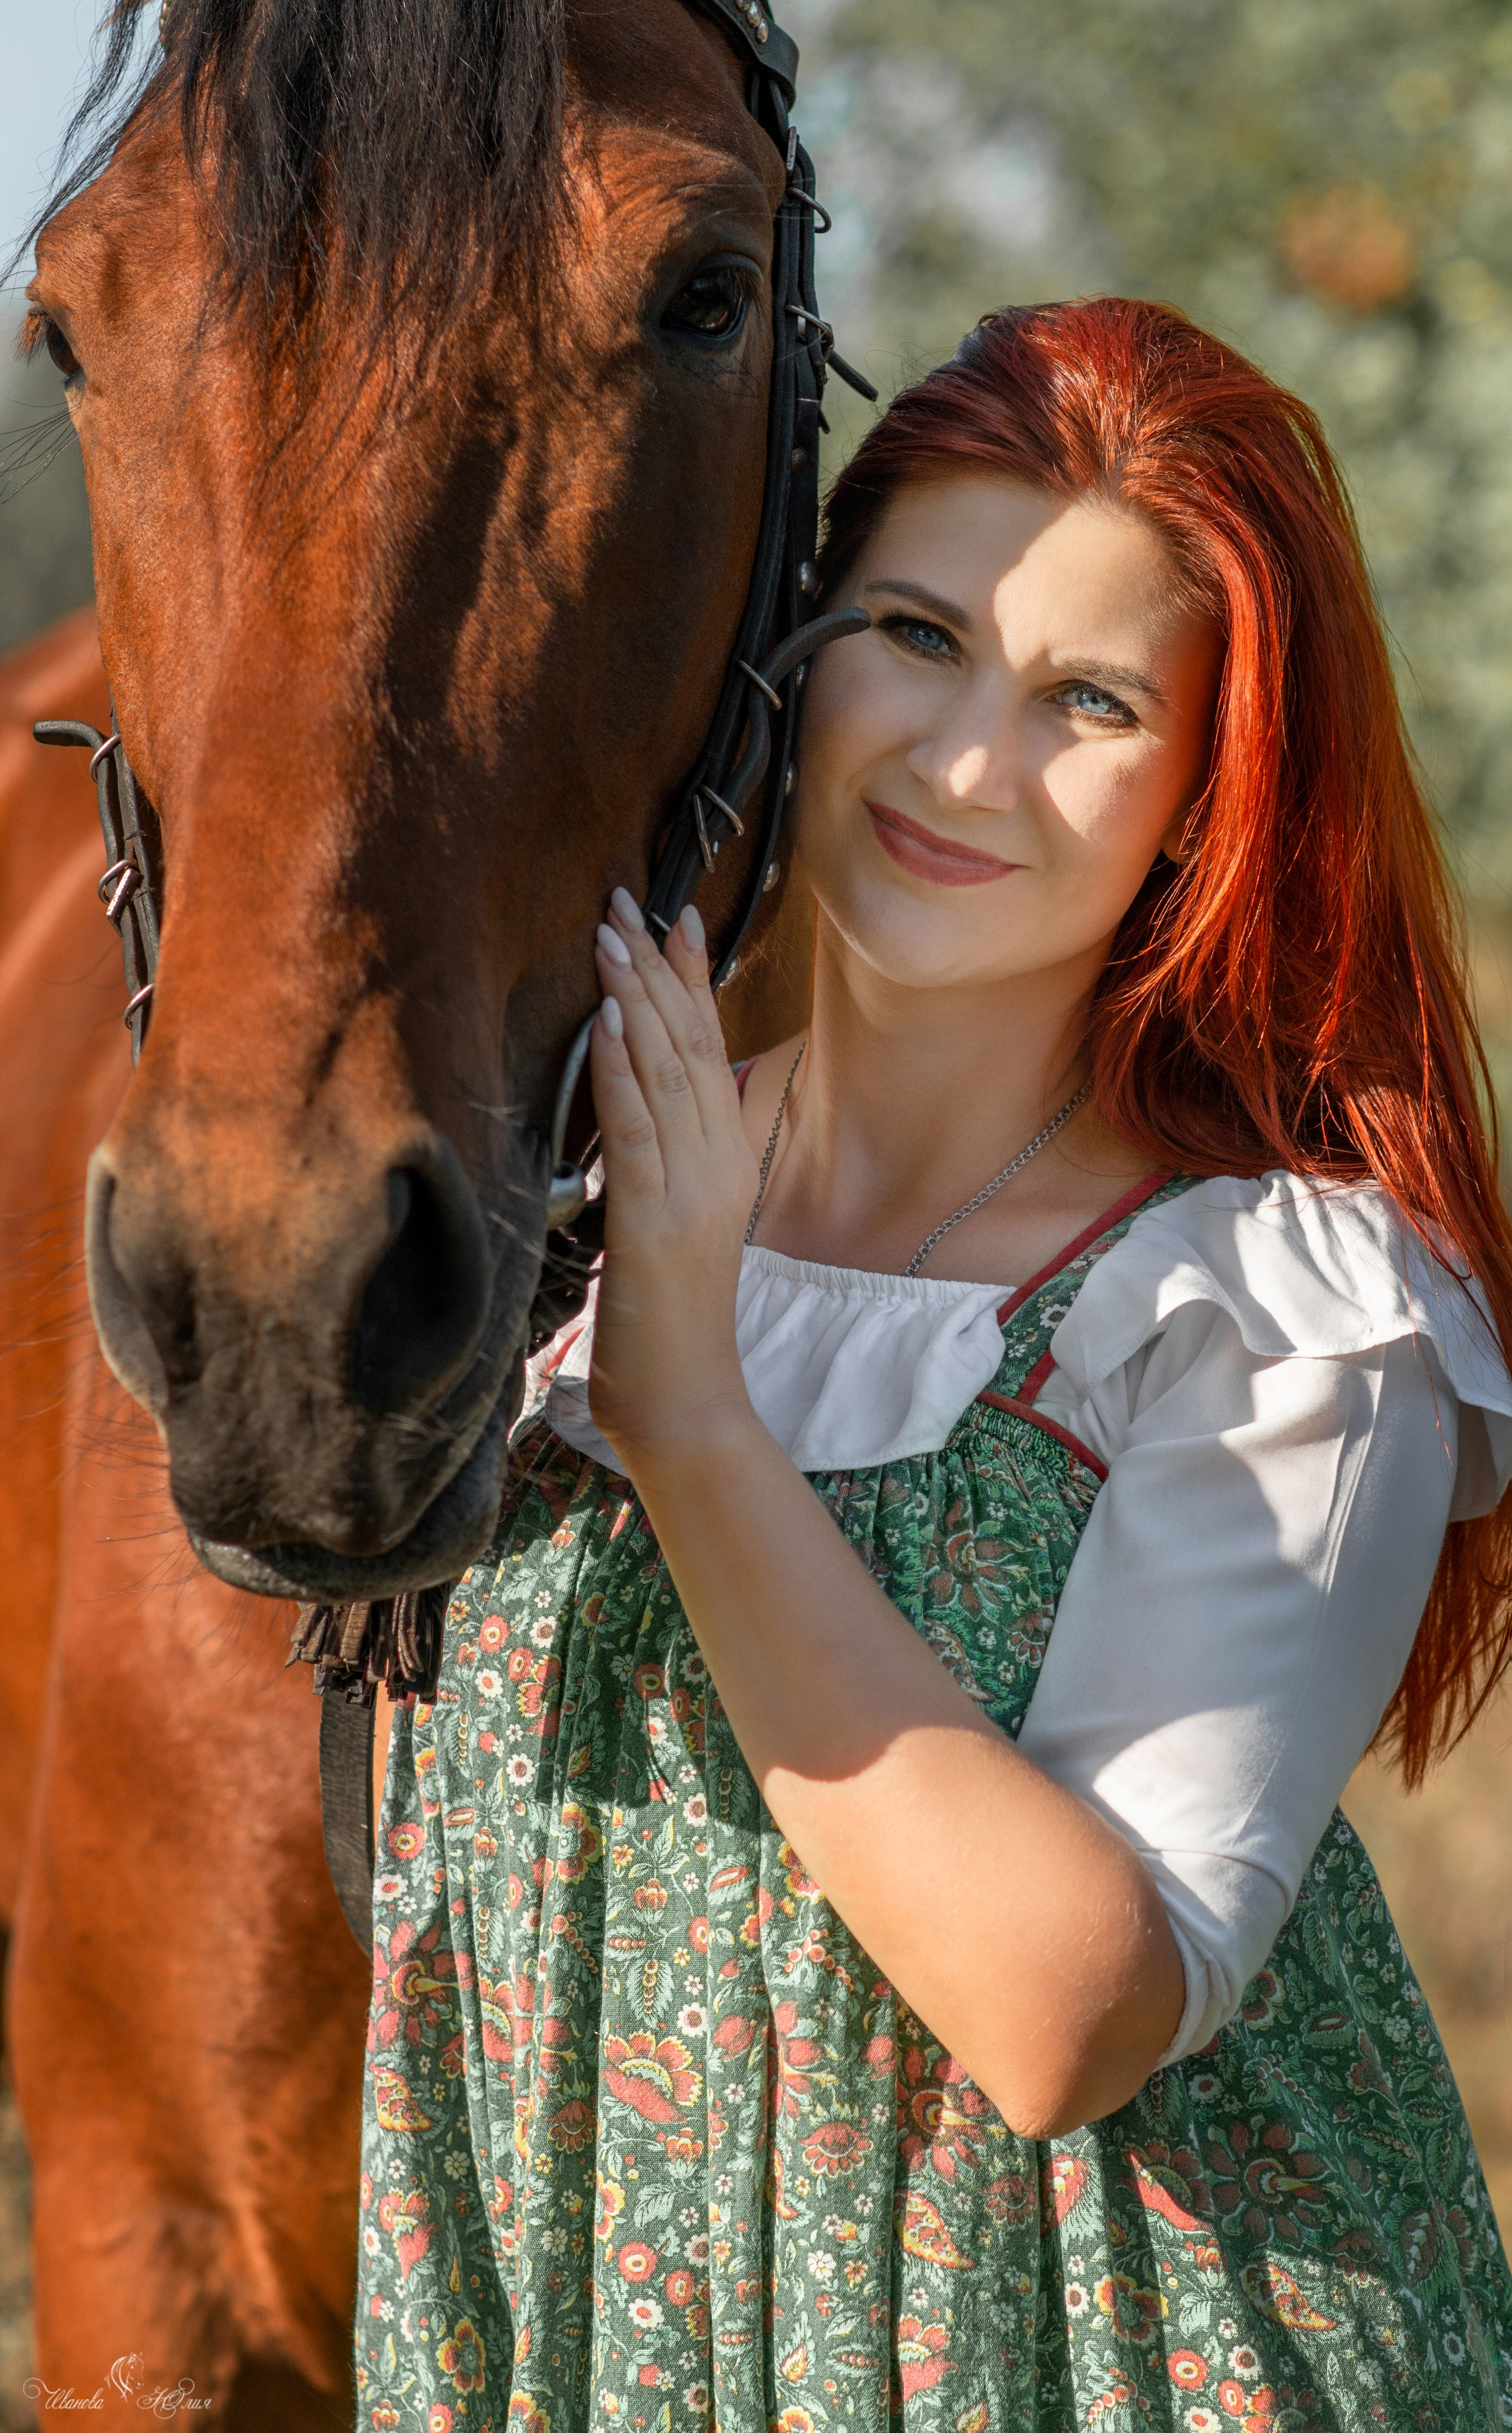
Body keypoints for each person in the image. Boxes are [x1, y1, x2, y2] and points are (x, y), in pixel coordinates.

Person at [355, 299, 1512, 2430]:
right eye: (912, 635)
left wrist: (690, 1417)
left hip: (1104, 2371)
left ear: (1212, 795)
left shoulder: (1273, 1305)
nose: (965, 765)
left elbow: (1062, 2018)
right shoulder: (567, 1191)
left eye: (1088, 700)